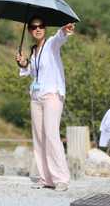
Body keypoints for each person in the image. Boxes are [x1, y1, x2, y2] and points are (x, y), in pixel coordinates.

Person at [15, 17, 75, 191]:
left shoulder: (51, 44)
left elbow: (59, 37)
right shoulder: (34, 50)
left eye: (41, 26)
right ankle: (46, 178)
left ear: (45, 28)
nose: (37, 29)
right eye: (33, 27)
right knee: (39, 137)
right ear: (29, 31)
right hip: (36, 96)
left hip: (52, 95)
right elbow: (33, 72)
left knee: (51, 134)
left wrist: (64, 30)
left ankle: (61, 178)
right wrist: (24, 63)